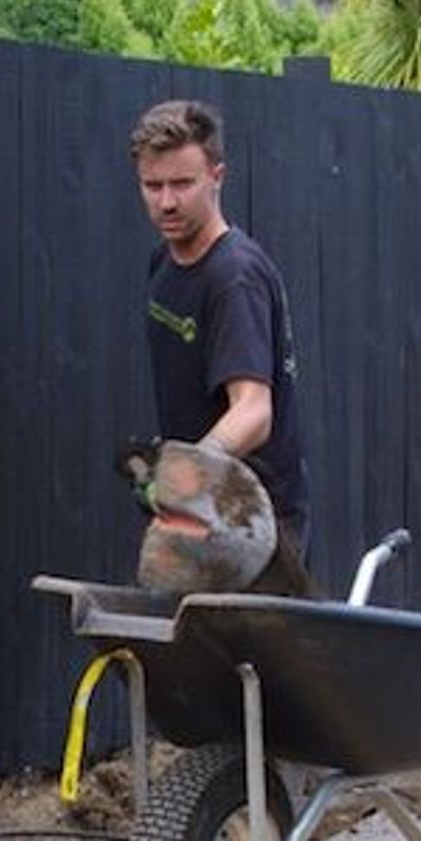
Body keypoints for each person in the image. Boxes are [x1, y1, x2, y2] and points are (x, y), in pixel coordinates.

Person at [128, 98, 309, 561]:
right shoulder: (163, 263)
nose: (166, 201)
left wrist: (184, 475)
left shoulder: (234, 277)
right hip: (203, 518)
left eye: (183, 184)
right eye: (153, 185)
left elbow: (254, 413)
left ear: (217, 177)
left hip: (255, 528)